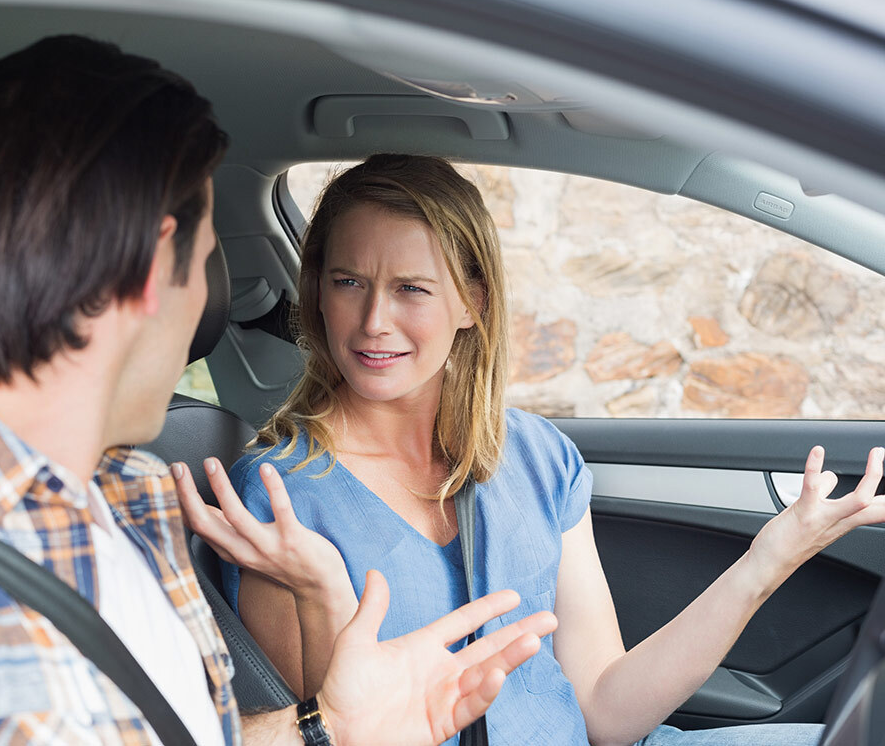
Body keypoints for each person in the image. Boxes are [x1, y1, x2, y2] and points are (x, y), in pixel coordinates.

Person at [0, 40, 558, 745]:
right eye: (203, 266)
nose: (207, 305)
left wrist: (326, 727)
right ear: (150, 271)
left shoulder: (130, 497)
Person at [174, 154, 885, 745]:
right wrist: (323, 594)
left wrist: (769, 560)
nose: (373, 320)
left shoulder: (539, 455)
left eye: (411, 288)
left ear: (473, 303)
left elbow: (604, 708)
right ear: (319, 292)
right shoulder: (280, 496)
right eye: (348, 282)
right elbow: (334, 728)